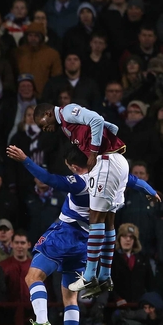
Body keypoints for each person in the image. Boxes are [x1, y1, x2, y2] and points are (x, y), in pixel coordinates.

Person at [6, 145, 157, 325]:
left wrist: (25, 159)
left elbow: (48, 179)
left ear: (74, 167)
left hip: (65, 234)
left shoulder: (79, 182)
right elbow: (133, 180)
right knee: (70, 297)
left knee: (33, 277)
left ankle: (41, 320)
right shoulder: (110, 178)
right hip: (86, 243)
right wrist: (150, 190)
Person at [34, 102, 130, 295]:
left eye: (42, 124)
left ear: (48, 113)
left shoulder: (67, 111)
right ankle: (104, 276)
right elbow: (109, 126)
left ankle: (90, 275)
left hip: (106, 161)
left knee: (96, 218)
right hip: (117, 161)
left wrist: (94, 153)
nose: (44, 129)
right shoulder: (65, 126)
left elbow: (97, 120)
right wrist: (109, 139)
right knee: (109, 221)